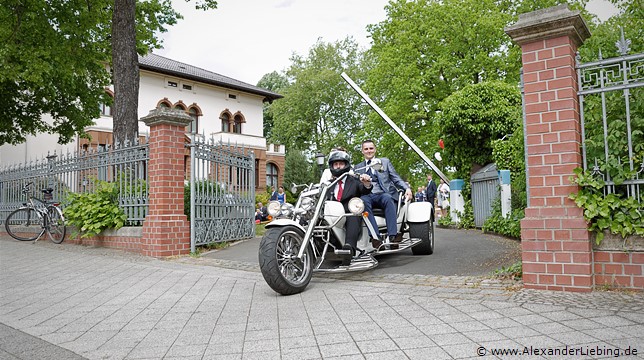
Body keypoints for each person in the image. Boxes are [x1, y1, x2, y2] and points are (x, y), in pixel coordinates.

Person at [354, 139, 412, 248]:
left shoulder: (384, 162)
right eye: (366, 149)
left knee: (388, 199)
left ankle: (393, 236)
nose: (369, 151)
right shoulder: (358, 167)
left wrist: (406, 188)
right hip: (367, 195)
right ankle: (376, 238)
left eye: (371, 148)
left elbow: (396, 178)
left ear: (375, 149)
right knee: (363, 202)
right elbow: (356, 186)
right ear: (362, 151)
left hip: (383, 193)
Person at [326, 150, 372, 263]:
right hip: (332, 213)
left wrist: (366, 183)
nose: (338, 166)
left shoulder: (355, 180)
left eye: (340, 164)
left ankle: (349, 248)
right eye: (335, 164)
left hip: (349, 211)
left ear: (346, 165)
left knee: (353, 215)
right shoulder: (329, 184)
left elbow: (364, 190)